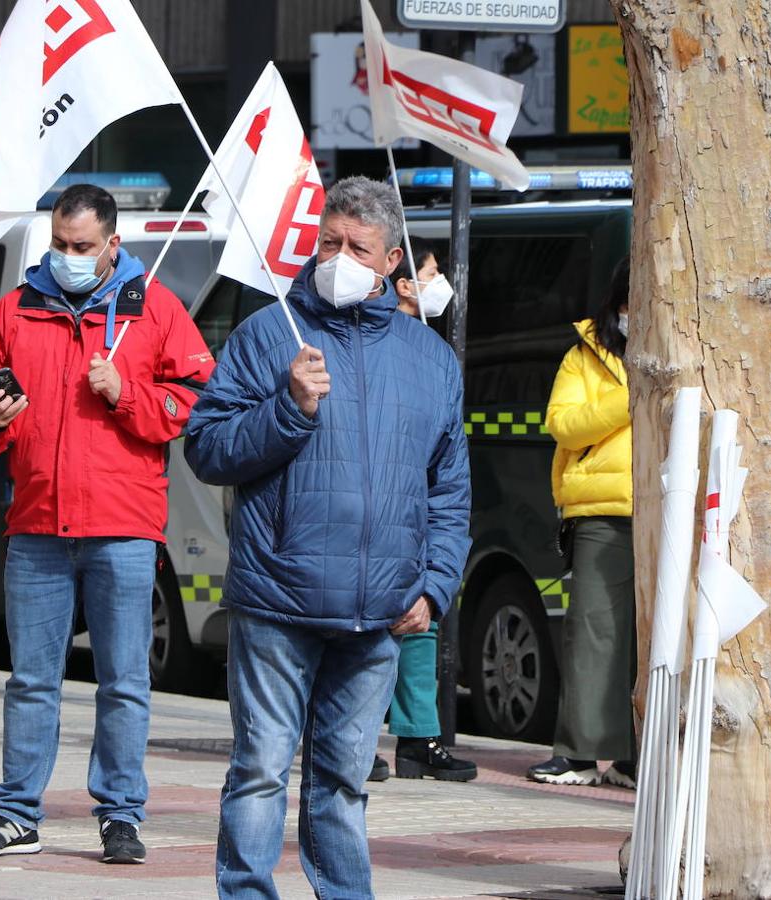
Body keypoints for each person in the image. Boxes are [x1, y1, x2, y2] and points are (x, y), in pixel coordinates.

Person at [184, 176, 472, 898]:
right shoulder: (268, 334)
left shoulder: (429, 358)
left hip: (378, 614)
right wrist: (289, 407)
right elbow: (207, 448)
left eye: (357, 247)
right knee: (259, 773)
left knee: (343, 782)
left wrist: (434, 588)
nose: (338, 257)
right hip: (278, 602)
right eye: (329, 243)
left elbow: (450, 490)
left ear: (391, 260)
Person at [0, 184, 215, 864]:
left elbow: (194, 400)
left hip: (123, 526)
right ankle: (15, 813)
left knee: (124, 680)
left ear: (113, 245)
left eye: (83, 248)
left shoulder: (153, 309)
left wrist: (127, 395)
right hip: (36, 523)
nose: (69, 257)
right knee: (31, 680)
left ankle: (121, 816)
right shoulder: (16, 310)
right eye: (60, 246)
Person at [367, 237, 475, 785]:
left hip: (422, 507)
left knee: (421, 623)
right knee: (370, 631)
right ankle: (359, 738)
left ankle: (418, 737)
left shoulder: (430, 351)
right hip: (383, 511)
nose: (441, 284)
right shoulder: (380, 343)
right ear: (403, 282)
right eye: (432, 273)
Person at [527, 258, 636, 789]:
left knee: (663, 638)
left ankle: (641, 755)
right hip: (602, 509)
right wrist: (630, 394)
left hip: (678, 507)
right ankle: (579, 753)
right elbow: (564, 425)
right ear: (622, 302)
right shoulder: (585, 353)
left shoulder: (698, 341)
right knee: (595, 632)